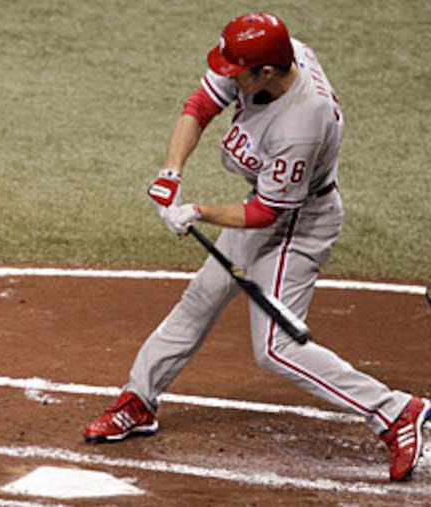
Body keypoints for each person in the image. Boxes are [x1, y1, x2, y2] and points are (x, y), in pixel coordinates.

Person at [82, 12, 430, 482]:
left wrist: (198, 212)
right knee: (201, 298)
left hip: (300, 224)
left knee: (277, 348)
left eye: (237, 71)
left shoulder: (302, 125)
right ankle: (139, 400)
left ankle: (394, 412)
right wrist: (171, 174)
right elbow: (200, 106)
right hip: (266, 208)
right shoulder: (275, 61)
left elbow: (268, 213)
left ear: (266, 72)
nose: (229, 76)